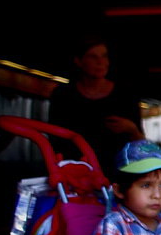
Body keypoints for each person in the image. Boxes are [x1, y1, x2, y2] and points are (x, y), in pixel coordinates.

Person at [49, 37, 144, 175]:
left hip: (119, 174)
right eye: (93, 57)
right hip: (77, 175)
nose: (100, 62)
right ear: (79, 61)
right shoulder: (63, 95)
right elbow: (54, 139)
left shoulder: (124, 95)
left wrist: (131, 129)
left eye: (104, 56)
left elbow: (141, 143)